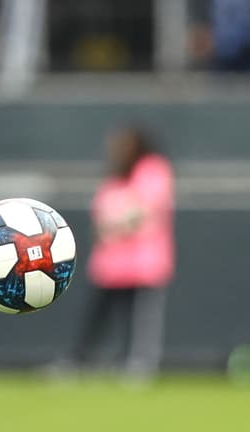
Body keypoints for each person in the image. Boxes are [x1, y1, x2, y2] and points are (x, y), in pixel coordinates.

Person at [69, 127, 175, 381]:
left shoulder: (152, 169)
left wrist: (115, 226)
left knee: (140, 319)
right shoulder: (114, 176)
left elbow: (145, 211)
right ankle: (79, 361)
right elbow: (100, 217)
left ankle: (139, 363)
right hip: (110, 265)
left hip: (143, 264)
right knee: (98, 317)